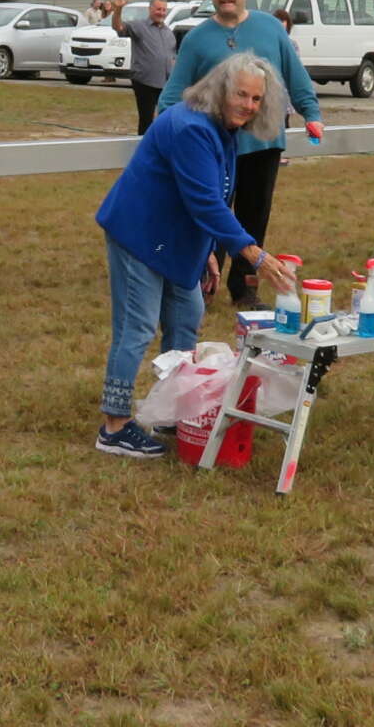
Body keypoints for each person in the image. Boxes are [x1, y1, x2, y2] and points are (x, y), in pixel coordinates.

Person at [90, 53, 300, 458]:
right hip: (140, 233)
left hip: (172, 237)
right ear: (220, 90)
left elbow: (209, 193)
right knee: (137, 328)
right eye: (241, 94)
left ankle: (171, 409)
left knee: (186, 317)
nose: (248, 105)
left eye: (257, 99)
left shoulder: (221, 127)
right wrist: (255, 256)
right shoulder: (191, 128)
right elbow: (206, 202)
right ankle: (113, 426)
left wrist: (206, 252)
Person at [157, 0, 322, 308]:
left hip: (263, 144)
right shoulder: (197, 38)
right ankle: (202, 285)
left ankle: (245, 288)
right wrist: (163, 130)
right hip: (214, 147)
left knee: (254, 218)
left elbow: (296, 75)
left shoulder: (270, 28)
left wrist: (312, 113)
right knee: (212, 215)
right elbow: (175, 90)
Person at [109, 0, 180, 134]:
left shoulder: (168, 32)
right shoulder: (139, 26)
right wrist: (118, 9)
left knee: (166, 118)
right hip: (144, 82)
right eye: (158, 9)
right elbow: (118, 27)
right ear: (150, 9)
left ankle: (161, 144)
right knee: (146, 120)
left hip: (165, 84)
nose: (161, 13)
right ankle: (143, 145)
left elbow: (172, 57)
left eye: (164, 10)